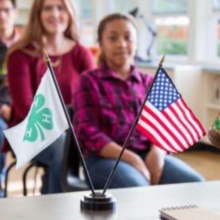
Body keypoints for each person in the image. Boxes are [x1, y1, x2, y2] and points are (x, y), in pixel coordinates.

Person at [73, 13, 204, 189]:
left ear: (136, 42)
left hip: (148, 152)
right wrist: (132, 158)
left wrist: (157, 152)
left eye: (128, 38)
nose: (122, 44)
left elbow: (163, 124)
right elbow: (87, 131)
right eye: (113, 38)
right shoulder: (88, 81)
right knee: (139, 189)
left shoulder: (148, 81)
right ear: (101, 43)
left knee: (196, 185)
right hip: (103, 160)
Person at [6, 0, 95, 194]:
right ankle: (56, 209)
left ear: (70, 13)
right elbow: (26, 108)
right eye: (48, 8)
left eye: (61, 8)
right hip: (30, 131)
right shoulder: (20, 55)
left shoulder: (81, 53)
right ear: (37, 15)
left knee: (92, 145)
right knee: (61, 145)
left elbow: (93, 101)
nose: (55, 14)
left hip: (74, 130)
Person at [0, 0, 19, 196]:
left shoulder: (28, 46)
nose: (2, 15)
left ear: (15, 12)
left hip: (25, 111)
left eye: (6, 10)